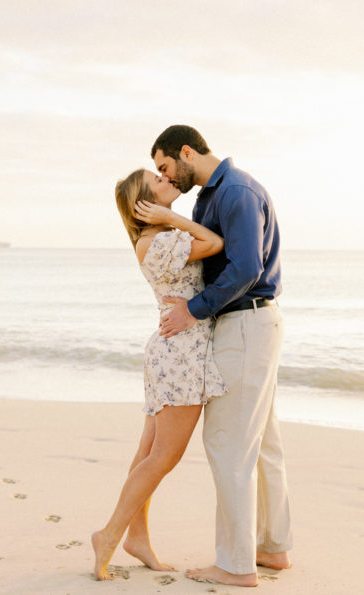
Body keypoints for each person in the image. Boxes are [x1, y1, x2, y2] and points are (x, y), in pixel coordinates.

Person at [151, 125, 293, 587]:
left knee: (228, 445)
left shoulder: (236, 191)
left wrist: (193, 310)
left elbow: (247, 267)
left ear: (187, 151)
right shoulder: (208, 198)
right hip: (249, 324)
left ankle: (236, 565)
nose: (167, 177)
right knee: (262, 444)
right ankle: (273, 549)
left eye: (166, 166)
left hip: (246, 324)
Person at [91, 168, 228, 581]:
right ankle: (111, 534)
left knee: (149, 454)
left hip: (172, 351)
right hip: (180, 354)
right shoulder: (159, 241)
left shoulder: (159, 240)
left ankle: (137, 538)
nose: (169, 181)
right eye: (159, 182)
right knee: (164, 456)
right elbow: (215, 243)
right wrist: (171, 218)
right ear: (144, 206)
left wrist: (170, 219)